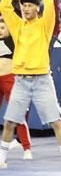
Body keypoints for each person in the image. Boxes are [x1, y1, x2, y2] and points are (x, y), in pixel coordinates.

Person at [0, 0, 61, 170]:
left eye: (30, 5)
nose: (26, 8)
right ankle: (2, 158)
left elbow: (50, 5)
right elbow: (4, 7)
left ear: (36, 8)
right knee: (9, 122)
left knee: (54, 121)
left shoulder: (44, 24)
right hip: (21, 81)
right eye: (24, 5)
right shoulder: (16, 25)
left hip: (42, 79)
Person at [0, 18, 33, 161]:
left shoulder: (14, 40)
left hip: (10, 80)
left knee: (17, 114)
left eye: (2, 28)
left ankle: (26, 148)